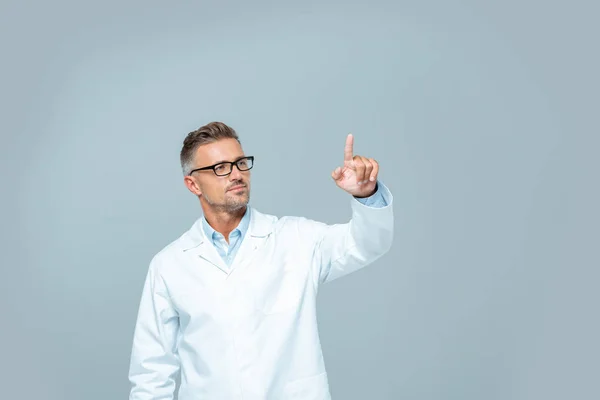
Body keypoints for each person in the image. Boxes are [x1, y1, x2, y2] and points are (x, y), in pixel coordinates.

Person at [128, 121, 394, 399]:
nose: (236, 175)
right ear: (192, 184)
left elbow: (366, 244)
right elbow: (151, 373)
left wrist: (366, 194)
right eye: (221, 168)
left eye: (241, 163)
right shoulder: (169, 265)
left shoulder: (297, 239)